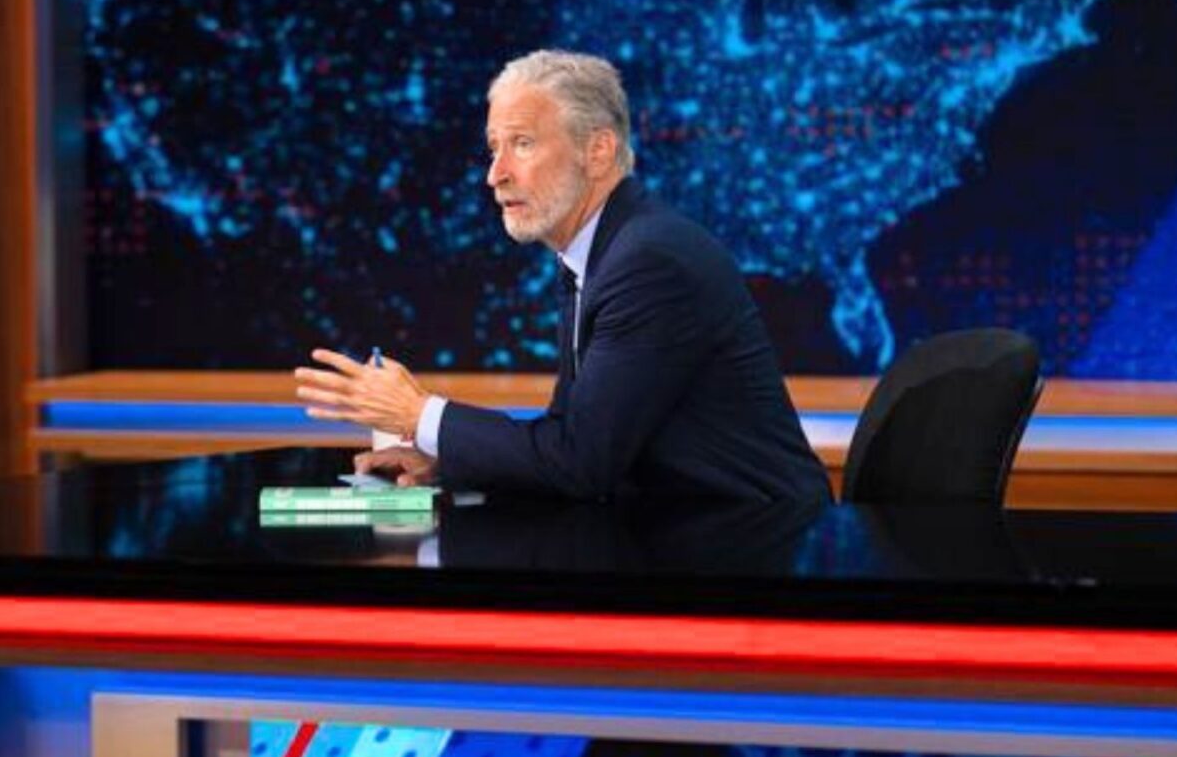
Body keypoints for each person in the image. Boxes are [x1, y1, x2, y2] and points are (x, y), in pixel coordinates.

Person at [293, 49, 826, 508]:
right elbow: (565, 439)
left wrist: (419, 413)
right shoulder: (594, 251)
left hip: (762, 553)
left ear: (598, 151)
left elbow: (579, 461)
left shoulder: (650, 262)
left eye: (521, 143)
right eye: (493, 147)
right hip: (682, 534)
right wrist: (444, 463)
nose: (495, 174)